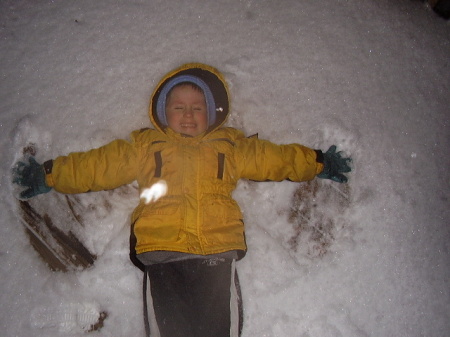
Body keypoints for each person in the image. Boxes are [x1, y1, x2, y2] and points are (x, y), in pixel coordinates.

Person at [12, 63, 351, 337]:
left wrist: (318, 162)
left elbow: (275, 160)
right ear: (163, 112)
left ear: (211, 113)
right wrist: (50, 175)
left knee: (219, 328)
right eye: (179, 108)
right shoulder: (145, 147)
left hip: (217, 253)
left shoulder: (230, 147)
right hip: (162, 256)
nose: (188, 115)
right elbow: (98, 166)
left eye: (197, 108)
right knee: (169, 328)